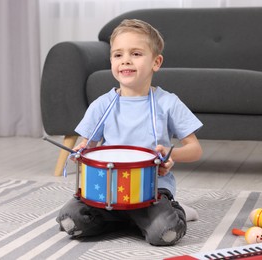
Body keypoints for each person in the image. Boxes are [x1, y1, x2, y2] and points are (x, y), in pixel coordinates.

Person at [56, 19, 203, 246]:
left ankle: (169, 212)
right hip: (107, 192)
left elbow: (195, 150)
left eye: (135, 53)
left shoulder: (168, 103)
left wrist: (170, 156)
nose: (125, 60)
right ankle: (132, 219)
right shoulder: (101, 104)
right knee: (70, 219)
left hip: (152, 191)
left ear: (156, 62)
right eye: (118, 55)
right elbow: (88, 146)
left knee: (165, 234)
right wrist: (81, 151)